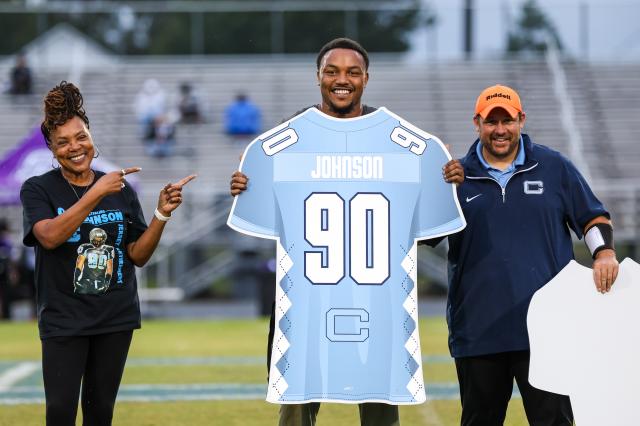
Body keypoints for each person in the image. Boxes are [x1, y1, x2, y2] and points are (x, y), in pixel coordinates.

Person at [229, 38, 464, 426]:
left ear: (366, 79)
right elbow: (262, 199)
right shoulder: (291, 140)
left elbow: (422, 232)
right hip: (302, 311)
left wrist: (441, 182)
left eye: (352, 72)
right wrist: (246, 183)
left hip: (377, 310)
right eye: (332, 71)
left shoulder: (397, 144)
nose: (342, 80)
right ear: (318, 77)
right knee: (296, 414)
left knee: (379, 414)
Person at [427, 84, 619, 425]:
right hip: (478, 330)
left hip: (549, 328)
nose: (500, 130)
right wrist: (436, 188)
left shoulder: (554, 166)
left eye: (508, 121)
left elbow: (591, 216)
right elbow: (425, 235)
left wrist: (603, 253)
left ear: (521, 120)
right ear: (477, 123)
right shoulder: (456, 175)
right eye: (491, 122)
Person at [20, 81, 195, 426]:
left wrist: (161, 214)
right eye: (63, 142)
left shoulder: (119, 187)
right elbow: (50, 237)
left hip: (115, 316)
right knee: (60, 413)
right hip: (64, 318)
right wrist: (95, 193)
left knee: (100, 413)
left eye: (81, 136)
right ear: (52, 149)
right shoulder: (38, 188)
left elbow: (138, 254)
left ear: (91, 135)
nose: (75, 147)